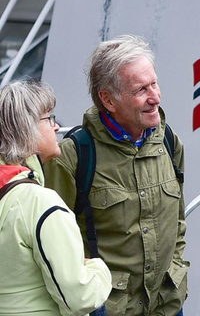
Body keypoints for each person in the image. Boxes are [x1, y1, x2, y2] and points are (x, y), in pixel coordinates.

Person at [44, 34, 188, 316]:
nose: (155, 97)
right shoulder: (74, 156)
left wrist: (177, 269)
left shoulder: (170, 142)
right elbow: (54, 246)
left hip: (167, 304)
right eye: (140, 90)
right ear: (108, 100)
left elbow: (179, 220)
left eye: (154, 83)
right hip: (106, 309)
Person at [0, 80, 112, 315]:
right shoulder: (41, 203)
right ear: (26, 128)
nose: (56, 127)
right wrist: (98, 269)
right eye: (48, 118)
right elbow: (79, 298)